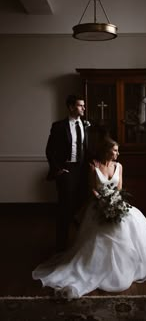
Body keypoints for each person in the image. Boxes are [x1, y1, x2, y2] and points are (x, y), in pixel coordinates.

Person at [32, 137, 146, 298]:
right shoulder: (94, 166)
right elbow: (92, 188)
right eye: (115, 150)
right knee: (99, 236)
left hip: (116, 203)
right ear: (106, 150)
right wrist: (102, 201)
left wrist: (115, 203)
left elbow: (119, 189)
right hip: (98, 204)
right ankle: (95, 266)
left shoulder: (119, 166)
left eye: (118, 150)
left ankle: (126, 265)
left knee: (128, 227)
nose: (118, 153)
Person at [46, 94, 90, 252]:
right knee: (65, 207)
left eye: (83, 105)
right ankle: (61, 246)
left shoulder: (85, 125)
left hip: (83, 171)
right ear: (71, 107)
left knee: (81, 206)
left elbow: (87, 149)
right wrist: (58, 170)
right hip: (67, 170)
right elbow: (50, 150)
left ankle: (80, 244)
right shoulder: (58, 126)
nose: (84, 108)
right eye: (80, 105)